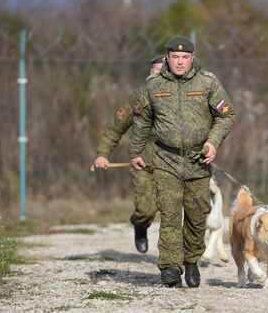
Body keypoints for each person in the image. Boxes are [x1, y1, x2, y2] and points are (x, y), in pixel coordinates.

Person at [129, 36, 235, 288]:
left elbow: (226, 114)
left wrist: (212, 142)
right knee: (170, 215)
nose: (179, 61)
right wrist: (135, 152)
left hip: (198, 160)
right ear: (167, 58)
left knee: (197, 216)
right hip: (166, 159)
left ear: (192, 58)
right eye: (175, 57)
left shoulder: (207, 82)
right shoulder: (153, 85)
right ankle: (169, 267)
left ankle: (190, 261)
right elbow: (141, 120)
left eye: (184, 57)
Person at [93, 55, 164, 253]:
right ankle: (140, 225)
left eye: (165, 70)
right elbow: (116, 128)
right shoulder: (137, 99)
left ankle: (175, 262)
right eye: (157, 71)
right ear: (150, 73)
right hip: (143, 163)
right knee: (146, 209)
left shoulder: (180, 99)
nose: (161, 75)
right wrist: (103, 154)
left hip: (174, 165)